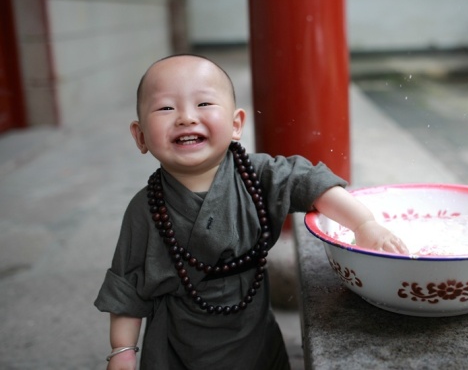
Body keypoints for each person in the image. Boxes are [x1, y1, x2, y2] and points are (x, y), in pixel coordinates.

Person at [94, 54, 408, 370]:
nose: (186, 117)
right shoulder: (145, 208)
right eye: (165, 107)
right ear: (141, 136)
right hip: (177, 347)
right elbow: (128, 285)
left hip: (252, 337)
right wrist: (122, 350)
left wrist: (364, 223)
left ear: (235, 125)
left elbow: (310, 183)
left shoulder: (257, 176)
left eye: (203, 104)